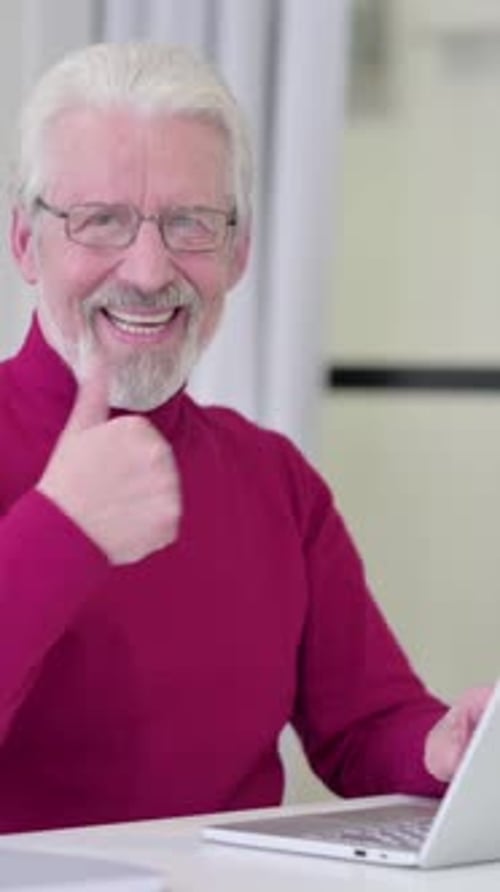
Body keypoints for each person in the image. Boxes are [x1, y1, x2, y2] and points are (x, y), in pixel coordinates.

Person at [0, 41, 491, 834]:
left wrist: (441, 749)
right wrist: (61, 532)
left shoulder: (273, 478)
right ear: (27, 242)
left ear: (239, 251)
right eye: (102, 221)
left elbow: (366, 723)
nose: (150, 270)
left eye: (192, 224)